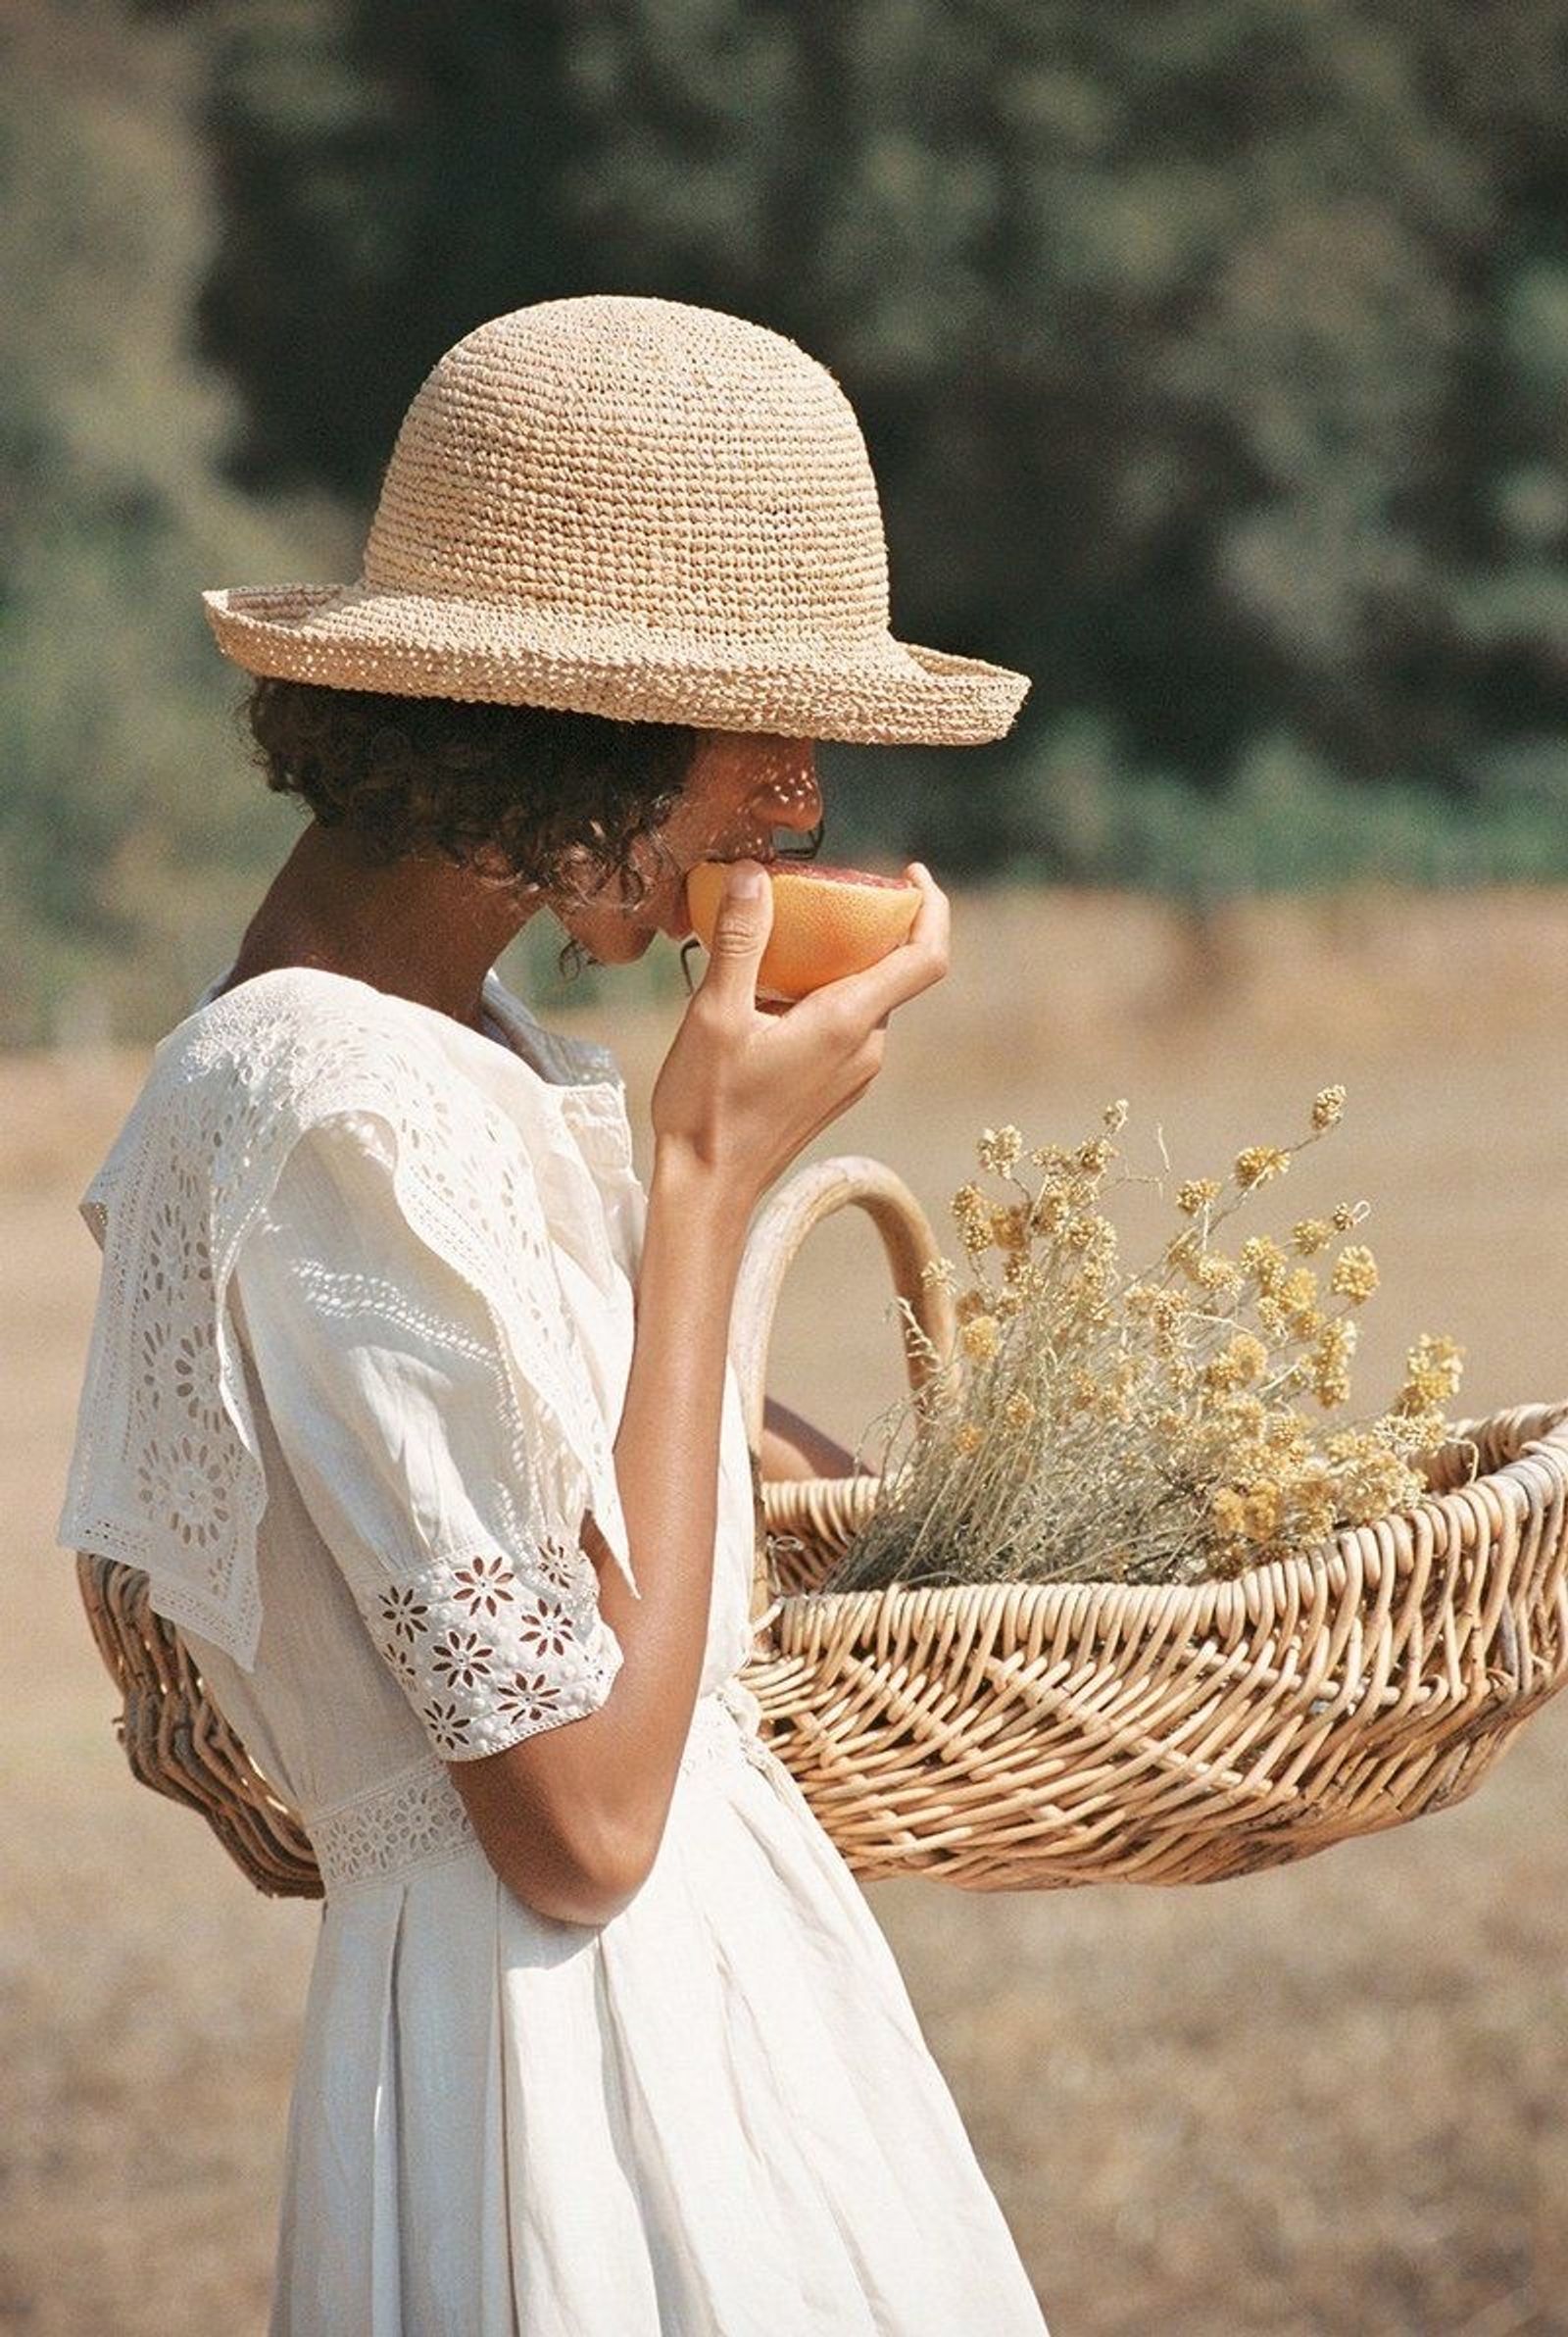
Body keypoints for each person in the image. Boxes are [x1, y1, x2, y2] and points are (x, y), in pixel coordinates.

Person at [58, 294, 1046, 2334]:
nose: (794, 806)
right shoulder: (323, 1105)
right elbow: (584, 1813)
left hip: (706, 2017)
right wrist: (704, 1181)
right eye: (766, 728)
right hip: (575, 2075)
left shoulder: (465, 1054)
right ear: (577, 727)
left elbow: (641, 1518)